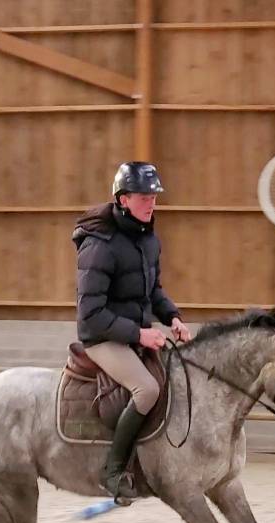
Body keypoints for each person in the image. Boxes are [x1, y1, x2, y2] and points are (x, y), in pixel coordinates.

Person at [72, 161, 191, 504]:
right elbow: (91, 314)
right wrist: (140, 335)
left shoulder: (148, 239)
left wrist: (173, 317)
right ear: (123, 199)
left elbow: (154, 291)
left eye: (154, 197)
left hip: (133, 332)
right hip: (101, 338)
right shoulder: (99, 246)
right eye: (144, 197)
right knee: (147, 390)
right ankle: (112, 472)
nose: (151, 203)